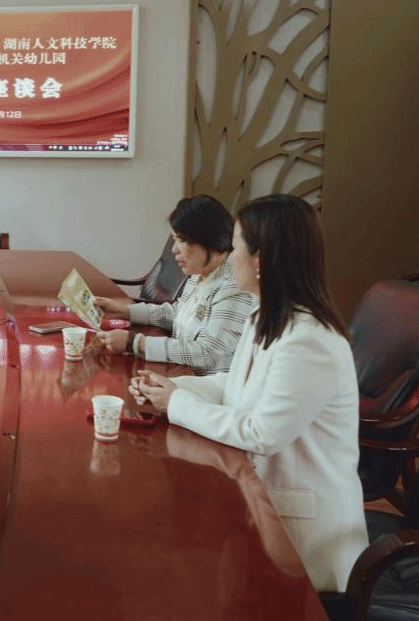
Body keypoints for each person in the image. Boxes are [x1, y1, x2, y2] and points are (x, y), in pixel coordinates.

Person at [129, 194, 367, 592]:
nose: (230, 254)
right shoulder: (265, 315)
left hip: (303, 534)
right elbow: (234, 383)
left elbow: (262, 433)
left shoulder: (310, 340)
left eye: (237, 245)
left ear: (261, 259)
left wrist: (178, 403)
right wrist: (172, 388)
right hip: (261, 501)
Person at [94, 195, 254, 374]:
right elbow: (177, 313)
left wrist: (136, 343)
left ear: (211, 239)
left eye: (182, 240)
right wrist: (124, 311)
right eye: (174, 239)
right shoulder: (200, 272)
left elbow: (208, 353)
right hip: (178, 372)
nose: (174, 249)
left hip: (202, 384)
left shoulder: (234, 286)